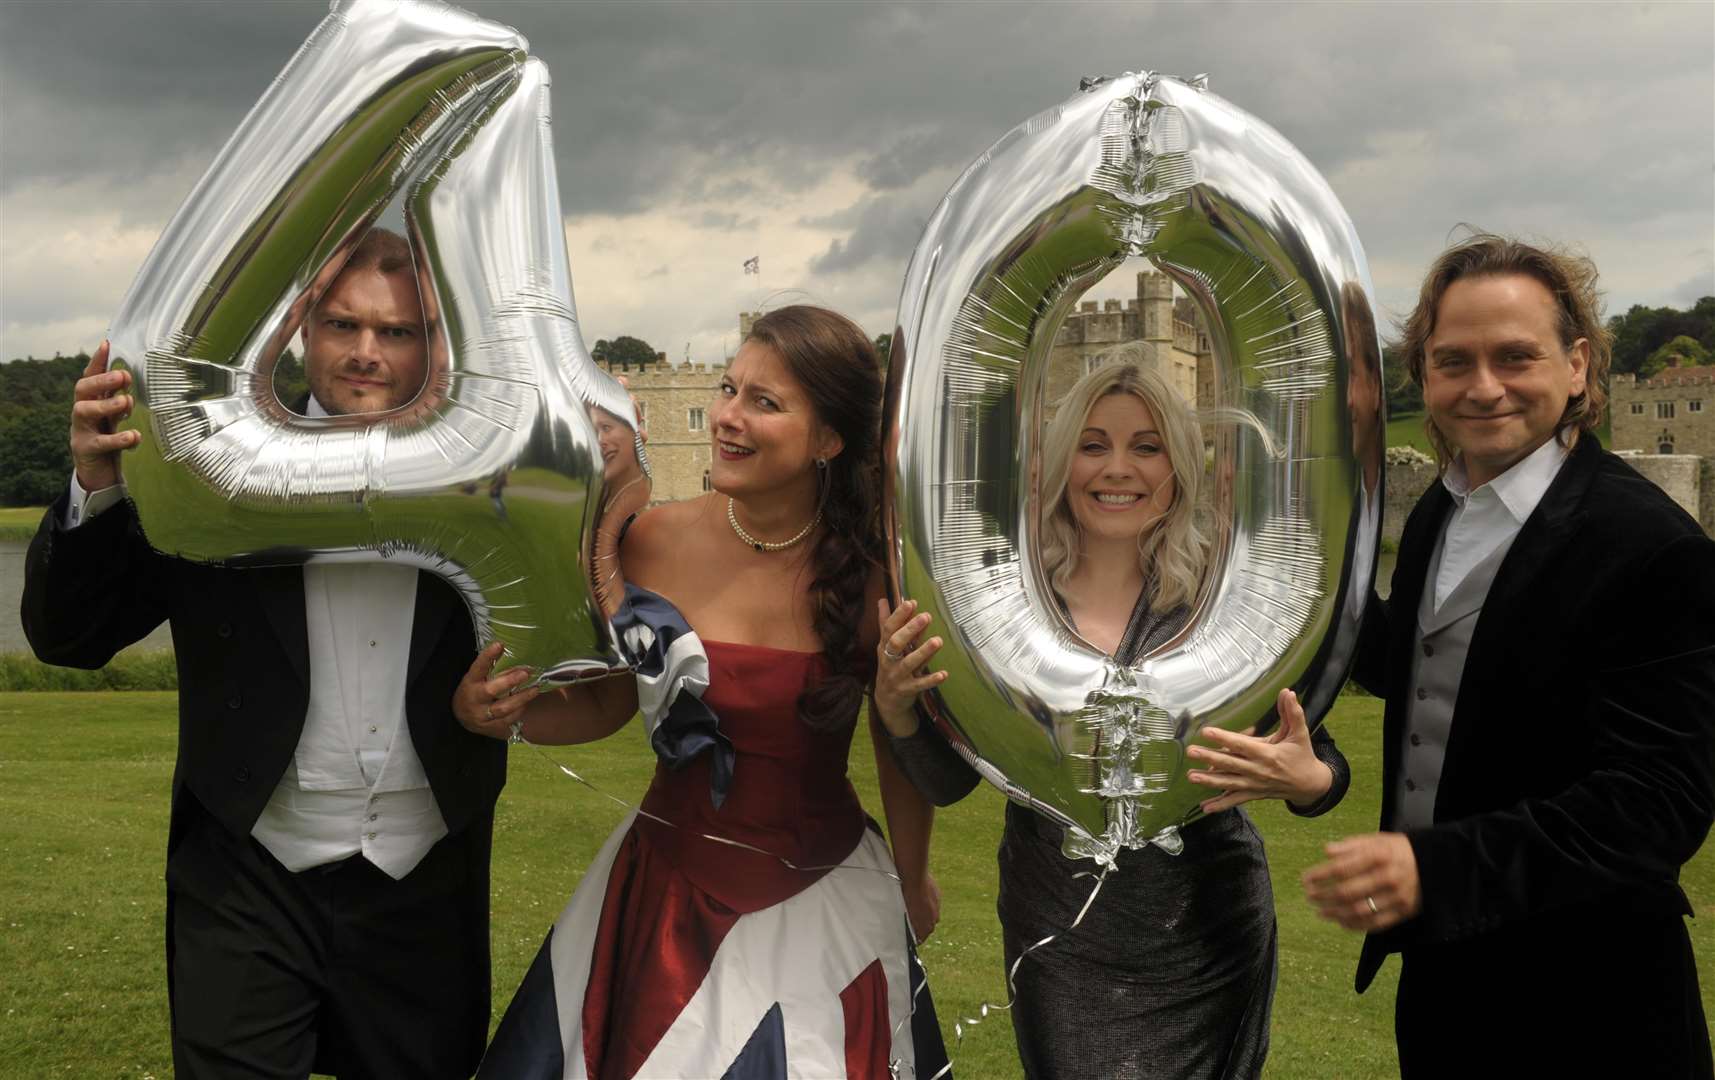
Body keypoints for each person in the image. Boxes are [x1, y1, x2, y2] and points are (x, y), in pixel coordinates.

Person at [20, 227, 506, 1078]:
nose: (365, 352)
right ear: (300, 331)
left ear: (436, 345)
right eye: (342, 325)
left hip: (425, 876)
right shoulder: (211, 471)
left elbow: (577, 657)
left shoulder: (495, 484)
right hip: (248, 872)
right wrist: (96, 485)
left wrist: (513, 701)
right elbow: (70, 639)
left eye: (395, 332)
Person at [459, 305, 950, 1078]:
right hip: (656, 893)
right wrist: (503, 718)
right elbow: (610, 701)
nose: (726, 417)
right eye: (728, 388)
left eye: (764, 402)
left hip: (819, 892)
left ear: (827, 440)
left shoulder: (876, 578)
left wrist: (913, 875)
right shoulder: (649, 540)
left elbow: (896, 734)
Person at [1301, 233, 1715, 1077]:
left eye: (1513, 357)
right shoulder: (1439, 515)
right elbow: (1418, 665)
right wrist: (1286, 591)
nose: (1481, 387)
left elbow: (1657, 804)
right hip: (1446, 982)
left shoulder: (1650, 545)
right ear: (1423, 374)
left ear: (1577, 366)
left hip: (1592, 1001)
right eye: (1452, 361)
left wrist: (1435, 864)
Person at [874, 359, 1350, 1079]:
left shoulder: (1223, 604)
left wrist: (1307, 778)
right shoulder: (1003, 604)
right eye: (1092, 445)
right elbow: (950, 784)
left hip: (1207, 932)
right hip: (1057, 935)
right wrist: (896, 709)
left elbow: (1319, 764)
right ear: (1061, 462)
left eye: (1146, 446)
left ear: (1180, 466)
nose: (1116, 468)